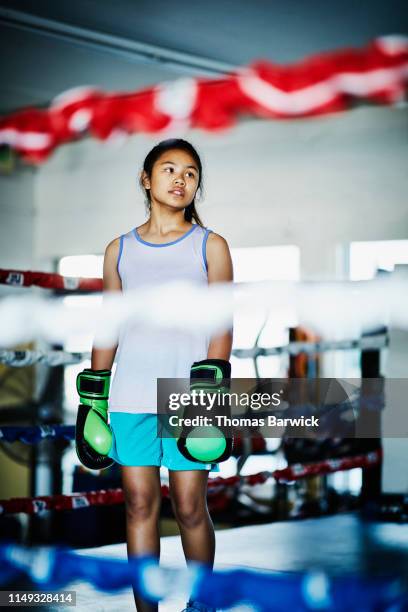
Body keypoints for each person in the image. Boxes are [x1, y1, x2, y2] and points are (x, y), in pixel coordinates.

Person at [88, 139, 233, 612]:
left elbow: (222, 323)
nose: (180, 179)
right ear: (146, 180)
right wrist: (93, 396)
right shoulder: (119, 249)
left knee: (190, 504)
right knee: (138, 504)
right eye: (168, 169)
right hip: (130, 394)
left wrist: (209, 396)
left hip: (188, 394)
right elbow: (109, 324)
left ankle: (202, 603)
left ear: (197, 185)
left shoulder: (210, 245)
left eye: (190, 173)